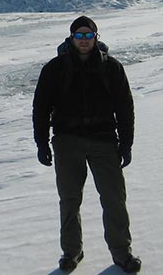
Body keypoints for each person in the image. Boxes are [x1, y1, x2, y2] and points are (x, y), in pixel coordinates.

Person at [32, 16, 142, 273]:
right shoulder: (54, 69)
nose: (84, 40)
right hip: (67, 142)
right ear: (71, 38)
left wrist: (126, 144)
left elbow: (125, 108)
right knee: (70, 200)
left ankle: (122, 253)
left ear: (96, 37)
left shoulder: (112, 68)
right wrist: (42, 143)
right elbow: (41, 109)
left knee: (114, 198)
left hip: (104, 141)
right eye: (79, 36)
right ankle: (71, 252)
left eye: (88, 35)